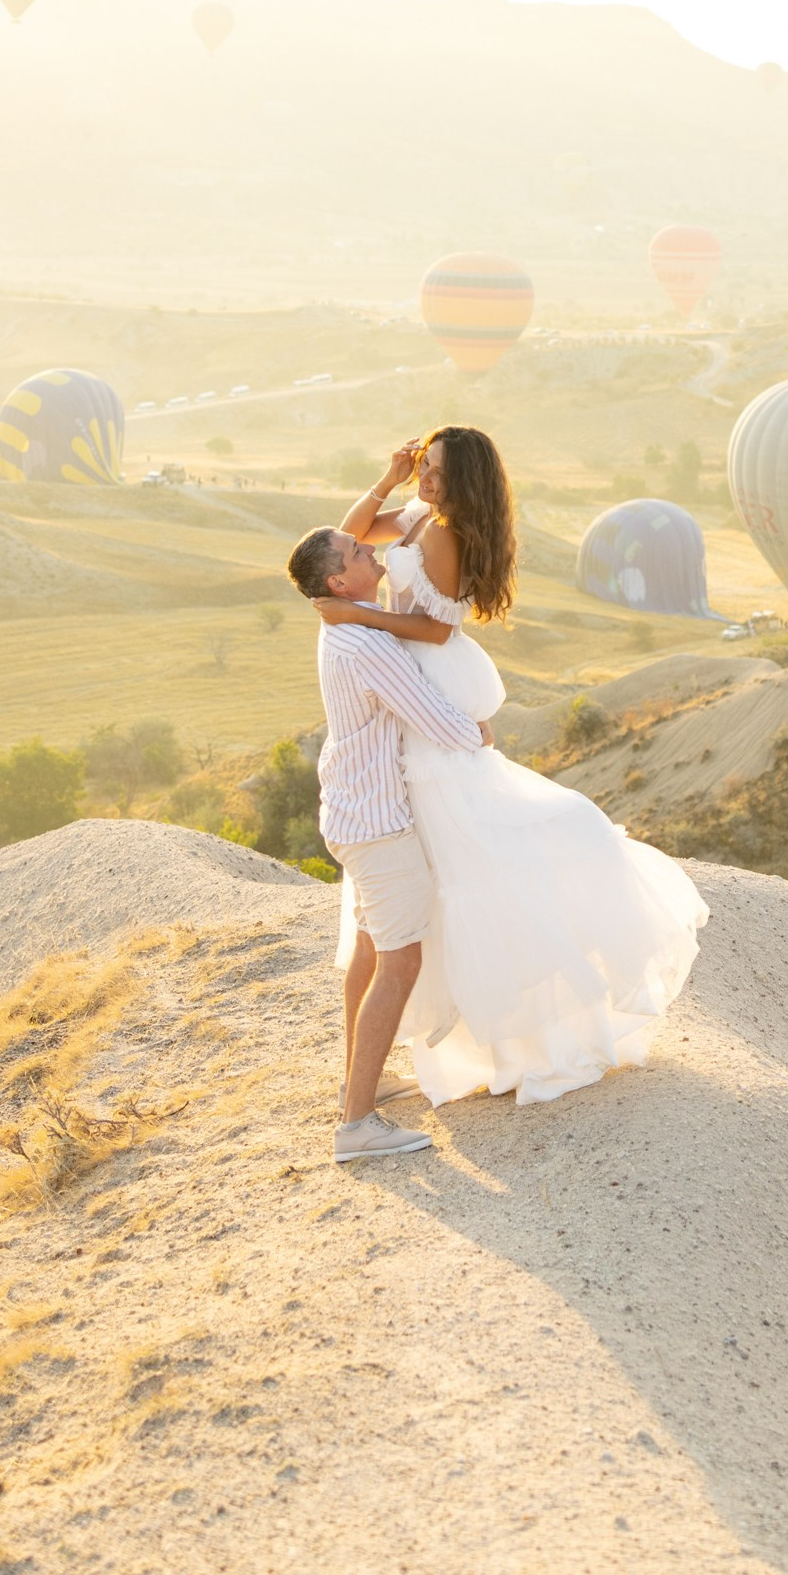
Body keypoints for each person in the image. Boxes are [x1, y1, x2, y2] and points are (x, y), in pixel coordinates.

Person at [305, 428, 707, 1109]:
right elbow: (337, 551)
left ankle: (491, 1043)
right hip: (401, 691)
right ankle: (361, 1074)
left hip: (419, 680)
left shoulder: (445, 534)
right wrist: (388, 479)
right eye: (423, 467)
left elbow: (434, 631)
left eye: (433, 471)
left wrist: (360, 617)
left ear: (462, 481)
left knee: (461, 859)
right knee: (397, 899)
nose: (424, 479)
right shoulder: (419, 515)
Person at [286, 519, 492, 1165]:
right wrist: (481, 733)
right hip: (378, 824)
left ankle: (360, 1082)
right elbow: (433, 718)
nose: (366, 547)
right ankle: (356, 1125)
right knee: (400, 961)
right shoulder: (365, 644)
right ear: (337, 580)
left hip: (353, 810)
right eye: (354, 551)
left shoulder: (344, 624)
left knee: (373, 948)